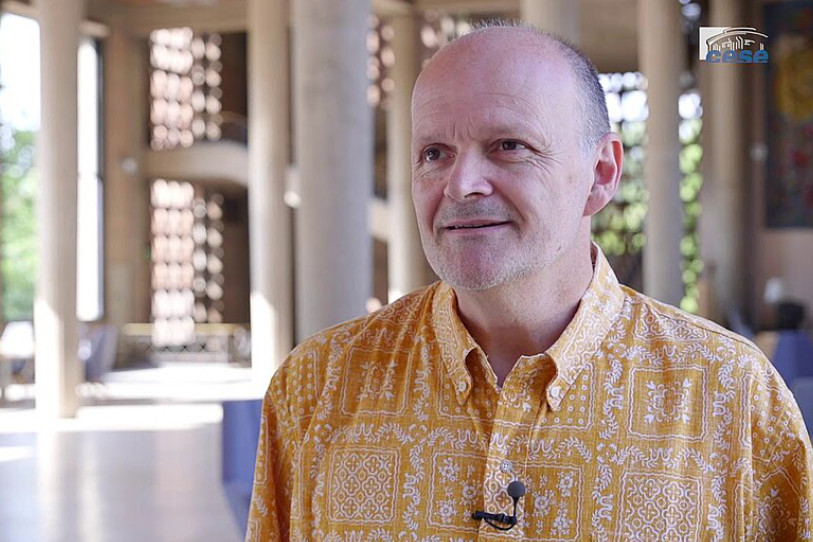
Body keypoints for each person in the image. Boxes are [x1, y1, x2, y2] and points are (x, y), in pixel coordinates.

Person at [246, 22, 813, 540]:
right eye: (435, 153)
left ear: (601, 174)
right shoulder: (316, 386)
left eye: (509, 146)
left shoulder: (731, 397)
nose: (461, 184)